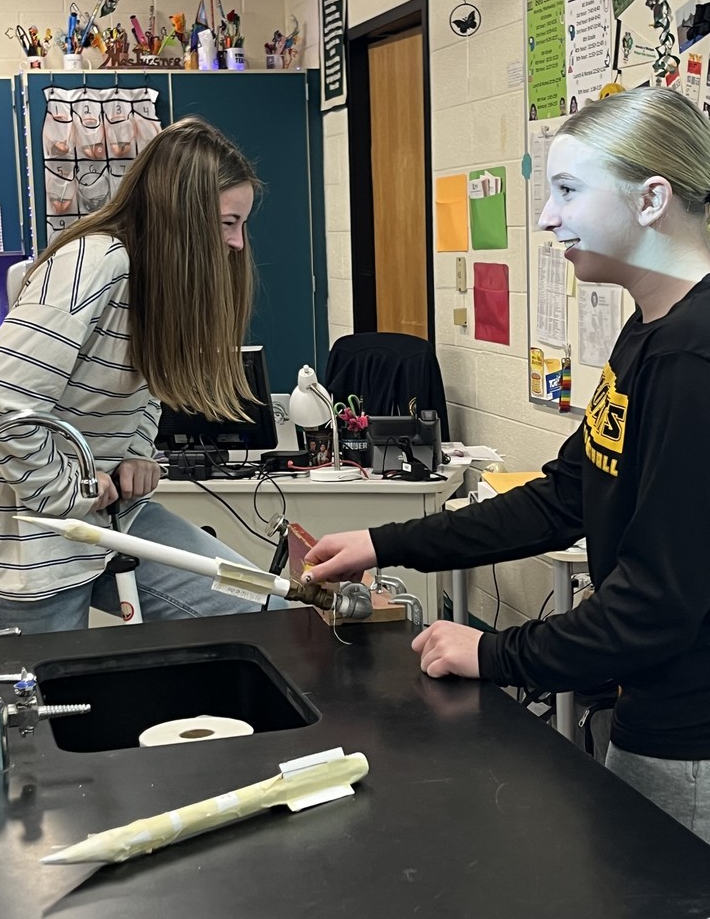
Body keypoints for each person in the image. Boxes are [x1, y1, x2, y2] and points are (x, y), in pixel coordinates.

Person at [304, 85, 710, 844]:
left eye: (567, 191)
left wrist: (495, 653)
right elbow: (566, 495)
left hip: (693, 744)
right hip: (655, 713)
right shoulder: (651, 330)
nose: (549, 218)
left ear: (652, 198)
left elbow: (657, 603)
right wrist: (385, 543)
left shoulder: (694, 356)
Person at [0, 115, 269, 635]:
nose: (237, 243)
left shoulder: (160, 278)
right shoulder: (93, 263)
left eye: (241, 224)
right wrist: (68, 491)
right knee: (38, 705)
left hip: (111, 515)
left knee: (258, 604)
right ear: (181, 216)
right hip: (30, 540)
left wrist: (136, 454)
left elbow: (151, 383)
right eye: (227, 222)